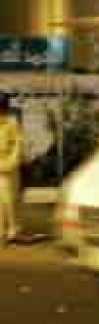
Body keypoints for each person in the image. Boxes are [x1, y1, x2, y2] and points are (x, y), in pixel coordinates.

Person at [0, 93, 22, 245]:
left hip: (8, 168)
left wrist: (11, 163)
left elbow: (18, 145)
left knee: (10, 201)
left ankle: (13, 230)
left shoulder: (12, 122)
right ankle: (2, 232)